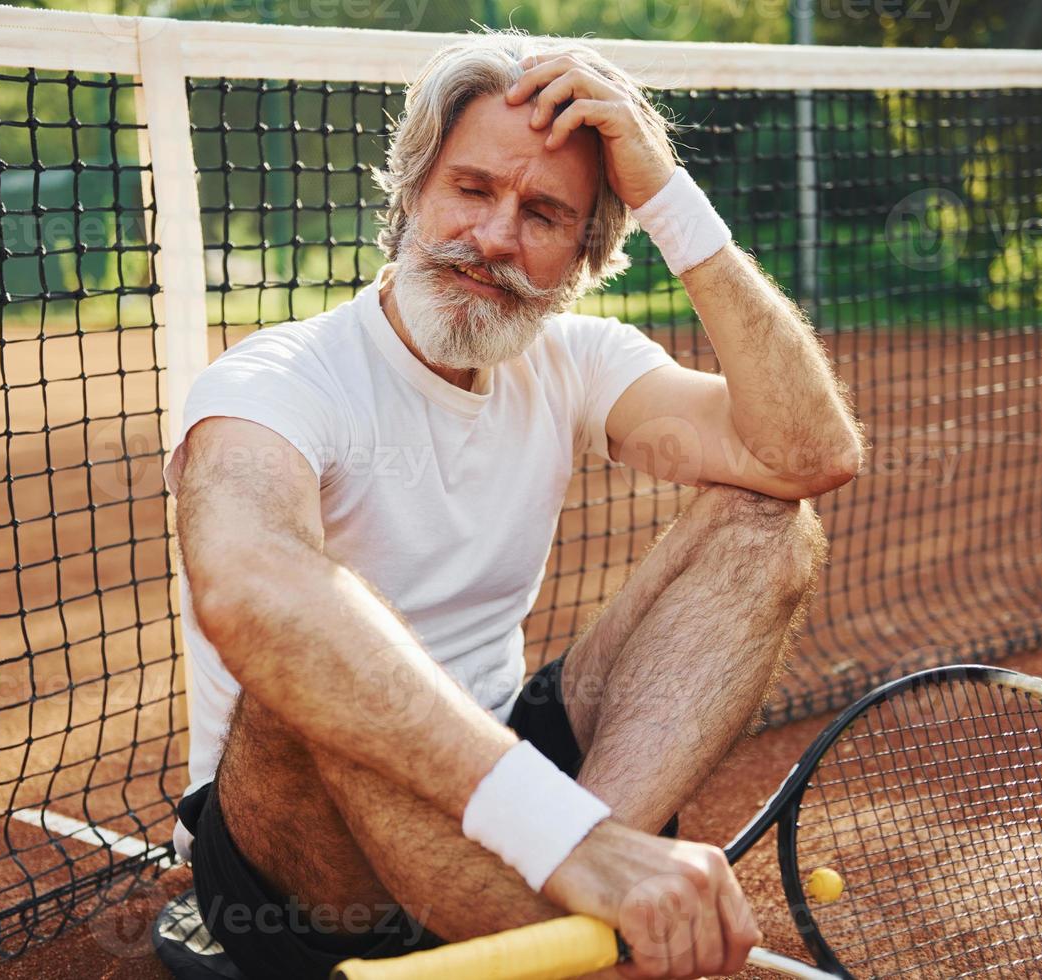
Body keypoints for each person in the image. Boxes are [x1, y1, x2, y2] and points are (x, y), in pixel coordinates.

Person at [167, 29, 863, 980]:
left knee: (764, 526)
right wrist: (567, 838)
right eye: (472, 189)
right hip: (304, 851)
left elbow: (807, 455)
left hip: (508, 766)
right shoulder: (278, 380)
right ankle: (583, 887)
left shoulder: (574, 362)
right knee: (308, 672)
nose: (494, 237)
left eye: (542, 213)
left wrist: (668, 195)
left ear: (585, 253)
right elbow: (251, 593)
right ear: (416, 191)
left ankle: (568, 908)